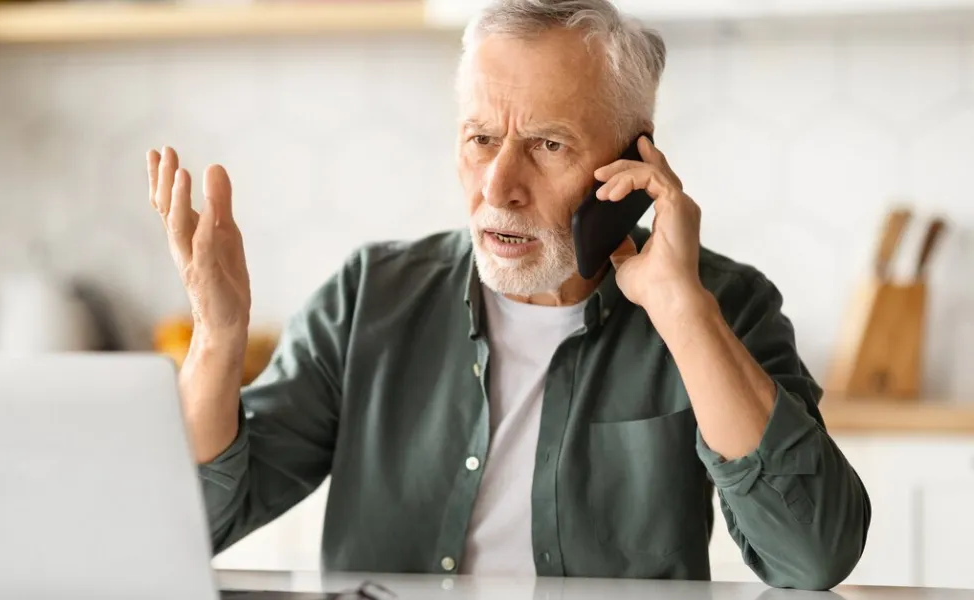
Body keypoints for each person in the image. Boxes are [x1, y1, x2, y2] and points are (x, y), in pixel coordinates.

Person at [144, 0, 870, 590]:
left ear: (632, 160)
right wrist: (217, 337)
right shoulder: (370, 296)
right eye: (481, 139)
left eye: (548, 145)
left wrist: (683, 315)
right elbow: (188, 528)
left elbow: (812, 557)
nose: (499, 187)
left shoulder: (724, 306)